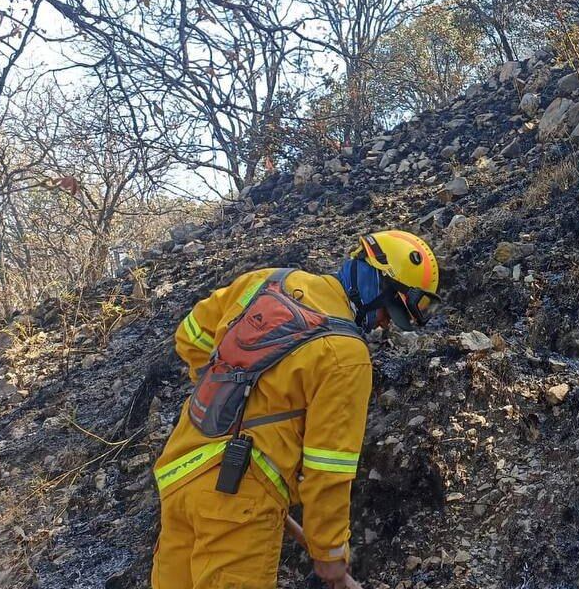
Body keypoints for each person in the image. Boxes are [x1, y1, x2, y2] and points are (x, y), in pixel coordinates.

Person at [151, 230, 440, 589]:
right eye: (390, 308)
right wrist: (330, 552)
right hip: (239, 503)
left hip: (180, 474)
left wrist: (227, 396)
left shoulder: (265, 281)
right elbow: (327, 469)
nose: (384, 322)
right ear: (376, 281)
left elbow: (190, 337)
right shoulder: (346, 356)